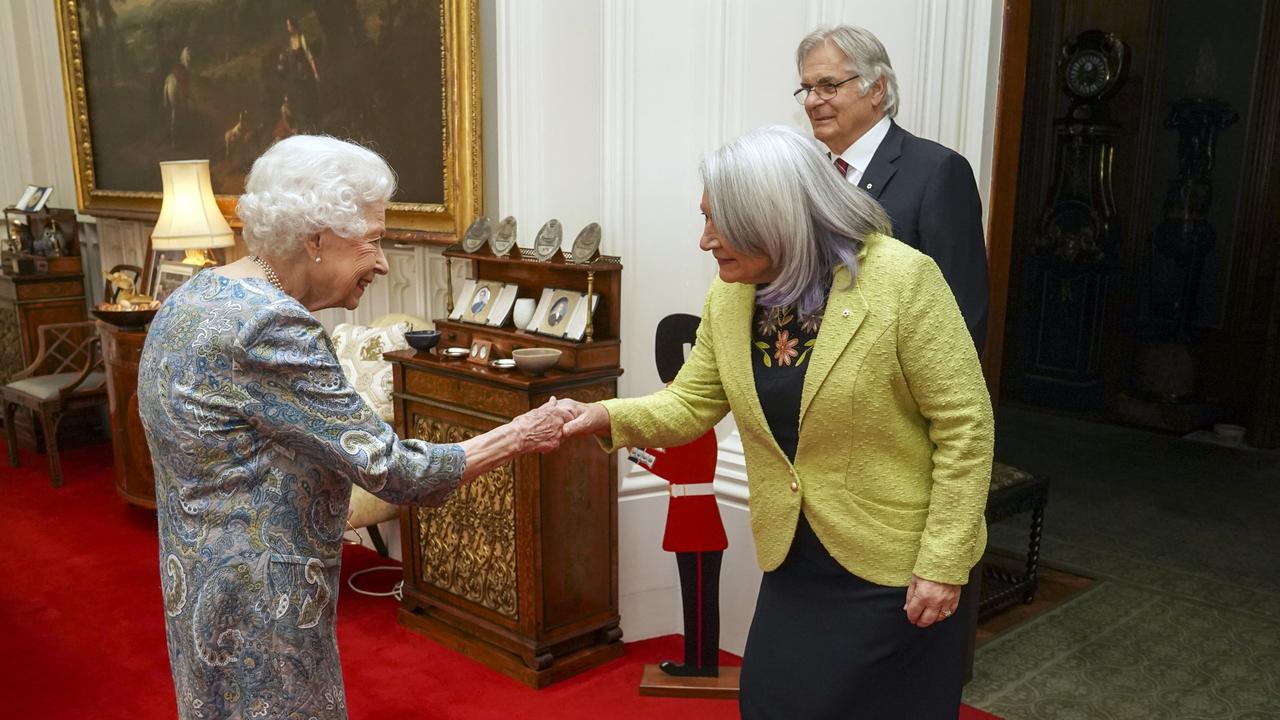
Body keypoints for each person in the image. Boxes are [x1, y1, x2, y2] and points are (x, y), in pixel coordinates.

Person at [561, 126, 993, 718]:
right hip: (796, 562)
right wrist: (596, 415)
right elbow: (690, 403)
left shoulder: (901, 280)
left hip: (895, 570)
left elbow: (965, 427)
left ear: (775, 216)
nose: (704, 240)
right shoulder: (732, 296)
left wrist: (943, 563)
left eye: (719, 222)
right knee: (770, 704)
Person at [137, 135, 573, 720]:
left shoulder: (196, 296)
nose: (384, 262)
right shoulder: (272, 326)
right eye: (373, 241)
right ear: (316, 239)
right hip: (265, 607)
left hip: (196, 583)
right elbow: (396, 471)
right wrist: (521, 433)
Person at [796, 25, 989, 351]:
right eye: (807, 88)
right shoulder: (812, 175)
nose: (813, 101)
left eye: (828, 86)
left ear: (876, 89)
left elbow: (962, 307)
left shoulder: (938, 170)